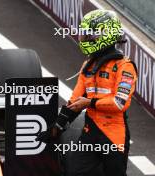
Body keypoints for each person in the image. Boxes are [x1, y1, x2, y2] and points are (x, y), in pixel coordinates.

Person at [37, 9, 137, 176]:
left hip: (114, 134)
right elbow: (75, 100)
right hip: (90, 132)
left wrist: (90, 103)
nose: (86, 38)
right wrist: (57, 127)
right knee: (74, 172)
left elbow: (120, 103)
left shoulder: (125, 67)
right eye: (85, 34)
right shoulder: (88, 66)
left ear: (106, 34)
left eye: (91, 35)